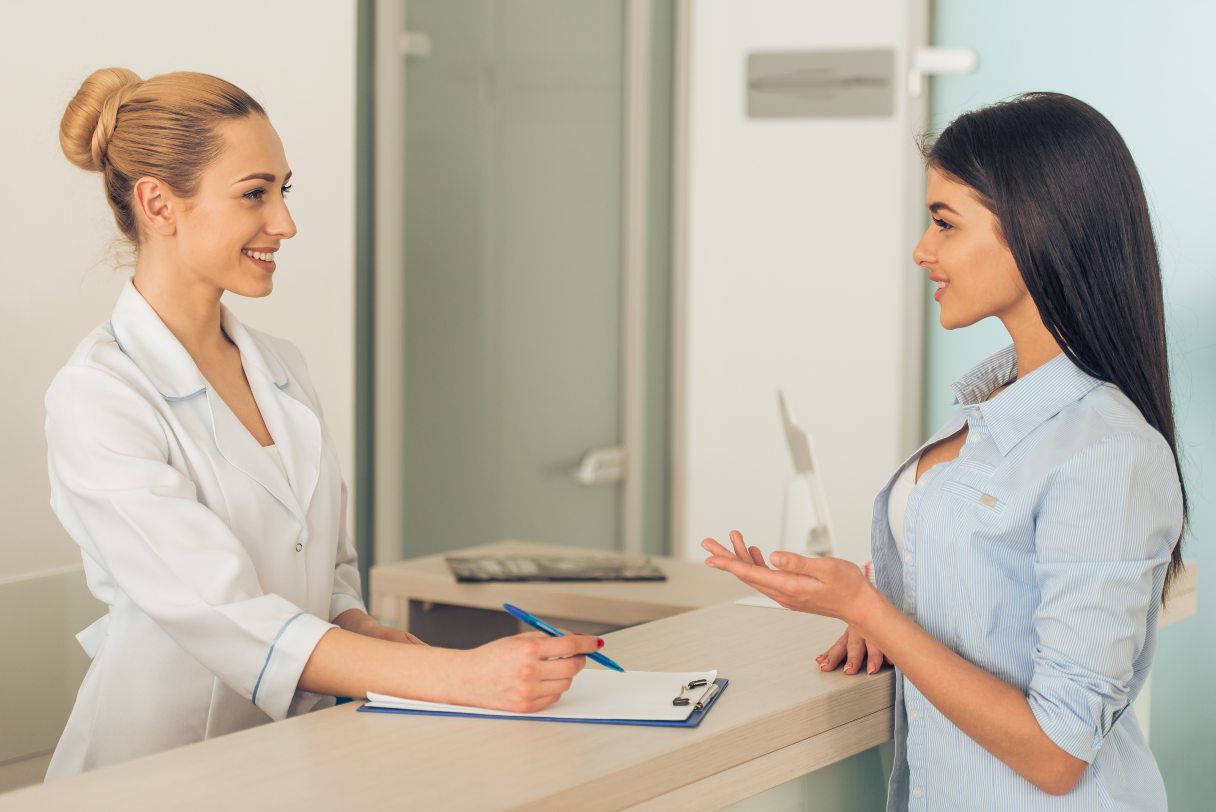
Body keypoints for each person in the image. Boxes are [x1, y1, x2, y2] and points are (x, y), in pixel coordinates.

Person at [46, 67, 598, 780]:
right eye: (255, 194)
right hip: (151, 773)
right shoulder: (99, 394)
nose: (285, 223)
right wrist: (462, 677)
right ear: (158, 204)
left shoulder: (281, 366)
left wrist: (358, 626)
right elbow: (223, 613)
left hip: (290, 758)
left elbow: (324, 566)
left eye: (284, 190)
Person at [702, 92, 1186, 810]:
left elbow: (1057, 754)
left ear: (1036, 228)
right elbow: (990, 593)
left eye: (945, 222)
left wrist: (872, 611)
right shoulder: (991, 411)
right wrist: (873, 608)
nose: (922, 250)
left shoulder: (1106, 451)